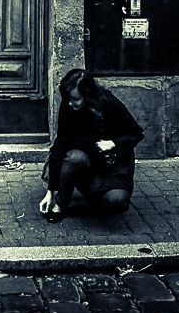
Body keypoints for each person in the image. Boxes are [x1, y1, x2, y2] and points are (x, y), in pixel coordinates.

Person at [39, 69, 144, 223]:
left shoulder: (108, 102)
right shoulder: (69, 105)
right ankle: (60, 204)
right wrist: (50, 192)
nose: (70, 103)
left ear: (87, 94)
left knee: (117, 201)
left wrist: (113, 143)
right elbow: (60, 143)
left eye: (76, 98)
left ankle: (97, 197)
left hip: (111, 167)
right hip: (84, 161)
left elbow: (136, 133)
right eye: (68, 98)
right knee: (74, 158)